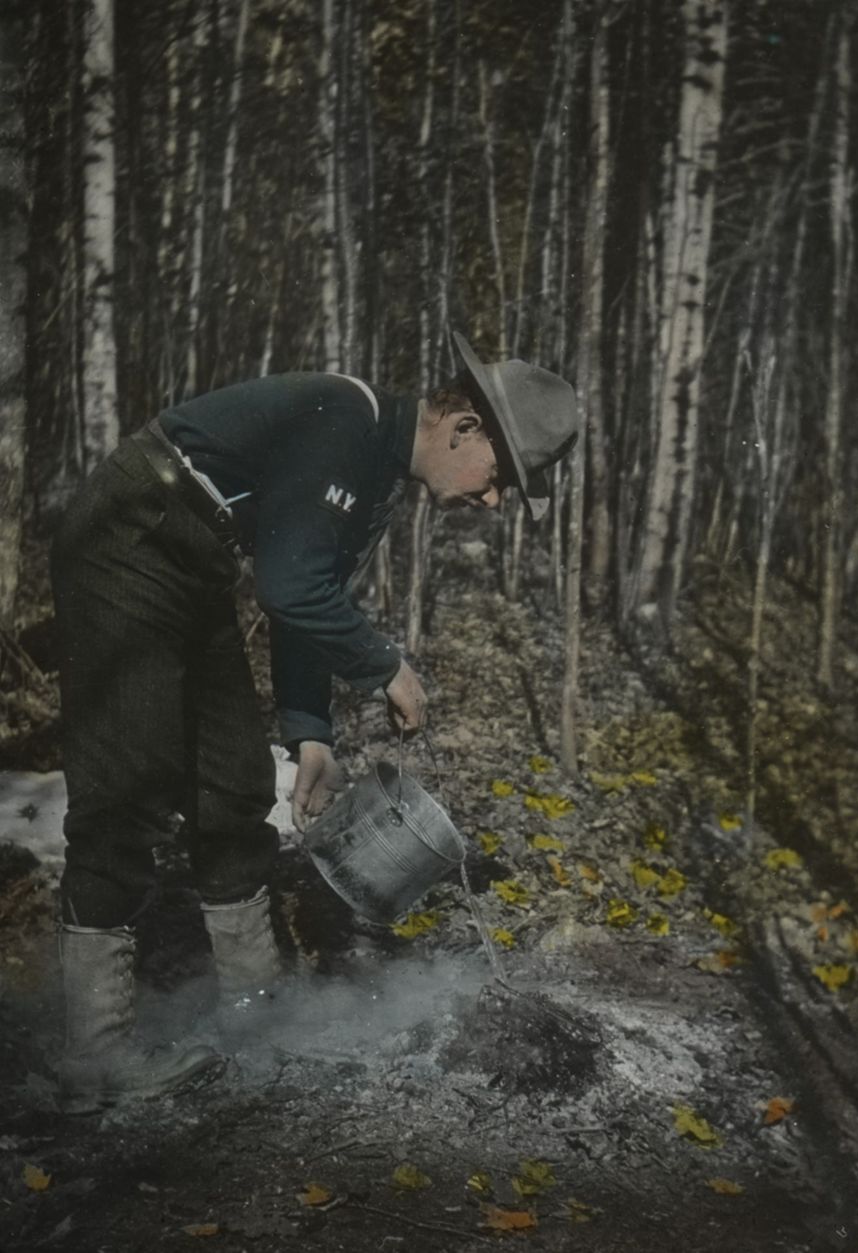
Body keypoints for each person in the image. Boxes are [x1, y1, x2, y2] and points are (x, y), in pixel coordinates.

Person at [50, 331, 578, 1113]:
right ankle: (90, 1059)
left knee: (232, 782)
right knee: (128, 788)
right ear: (463, 425)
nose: (494, 501)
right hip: (130, 533)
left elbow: (304, 598)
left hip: (188, 560)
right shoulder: (347, 421)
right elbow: (291, 588)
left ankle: (257, 1010)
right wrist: (384, 663)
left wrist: (313, 736)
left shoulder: (374, 475)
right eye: (501, 477)